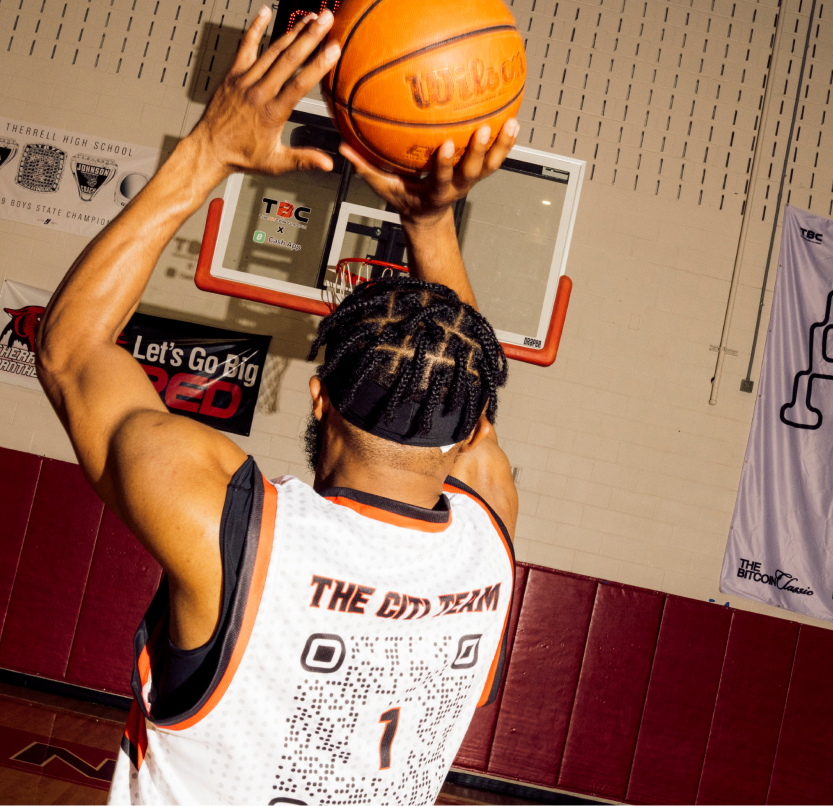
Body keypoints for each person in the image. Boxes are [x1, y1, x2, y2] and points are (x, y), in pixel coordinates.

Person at [35, 7, 520, 806]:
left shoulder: (234, 537)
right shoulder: (488, 538)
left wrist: (208, 150)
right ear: (470, 424)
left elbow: (70, 352)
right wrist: (433, 223)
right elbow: (474, 429)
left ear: (318, 392)